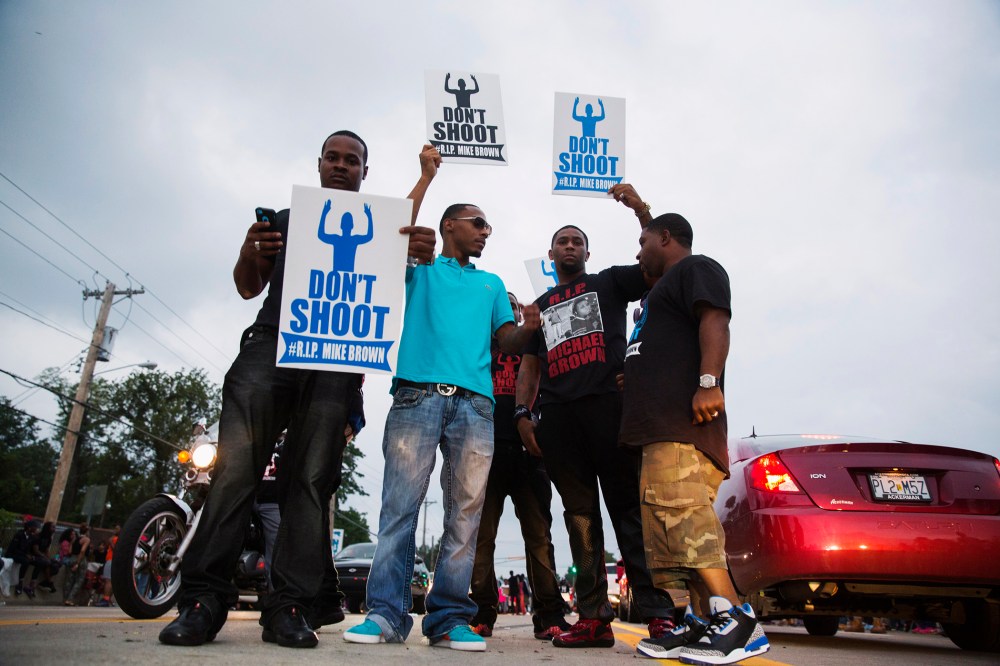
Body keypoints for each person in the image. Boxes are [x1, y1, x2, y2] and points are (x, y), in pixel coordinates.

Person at [158, 133, 440, 650]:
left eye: (351, 160)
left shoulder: (384, 227)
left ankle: (288, 606)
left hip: (334, 361)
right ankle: (202, 601)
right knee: (235, 472)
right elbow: (248, 286)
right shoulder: (286, 221)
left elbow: (405, 220)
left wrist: (417, 230)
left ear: (364, 172)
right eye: (332, 157)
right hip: (272, 346)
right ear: (318, 165)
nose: (340, 165)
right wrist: (250, 251)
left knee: (312, 483)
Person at [344, 203, 538, 652]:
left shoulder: (491, 283)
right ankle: (385, 614)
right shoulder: (421, 269)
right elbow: (392, 236)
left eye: (489, 226)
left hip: (475, 405)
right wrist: (426, 175)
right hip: (417, 396)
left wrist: (528, 327)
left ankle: (449, 618)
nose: (486, 232)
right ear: (449, 224)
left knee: (466, 513)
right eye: (478, 223)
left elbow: (505, 339)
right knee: (400, 506)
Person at [515, 184, 675, 648]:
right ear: (551, 253)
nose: (570, 246)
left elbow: (659, 263)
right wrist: (523, 414)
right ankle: (593, 617)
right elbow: (530, 365)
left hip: (611, 410)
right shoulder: (540, 306)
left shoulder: (608, 282)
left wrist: (642, 211)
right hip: (559, 421)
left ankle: (658, 613)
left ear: (587, 251)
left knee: (629, 511)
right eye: (562, 241)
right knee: (580, 519)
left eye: (577, 241)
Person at [624, 213, 769, 664]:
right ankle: (700, 622)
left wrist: (709, 380)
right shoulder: (658, 292)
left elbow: (715, 319)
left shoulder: (695, 268)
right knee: (669, 538)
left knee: (686, 521)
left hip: (682, 427)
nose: (637, 251)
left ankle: (740, 620)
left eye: (643, 240)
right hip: (657, 431)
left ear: (666, 238)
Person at [469, 292, 569, 640]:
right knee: (481, 538)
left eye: (514, 306)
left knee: (539, 537)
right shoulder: (479, 349)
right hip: (487, 451)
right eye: (503, 307)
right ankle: (482, 612)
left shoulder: (538, 347)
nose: (509, 312)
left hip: (530, 454)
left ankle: (549, 615)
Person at [62, 523, 91, 606]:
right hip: (81, 559)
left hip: (72, 558)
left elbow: (70, 551)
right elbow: (82, 551)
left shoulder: (74, 539)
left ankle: (65, 598)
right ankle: (70, 599)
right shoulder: (86, 539)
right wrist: (77, 563)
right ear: (87, 531)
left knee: (69, 580)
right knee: (79, 580)